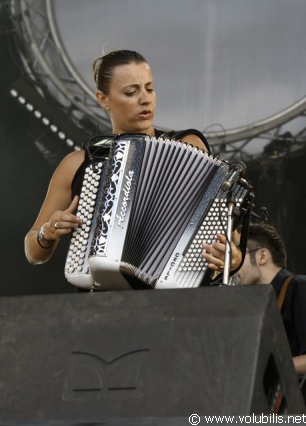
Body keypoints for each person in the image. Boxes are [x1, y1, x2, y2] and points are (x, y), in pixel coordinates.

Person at [24, 49, 241, 283]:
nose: (145, 99)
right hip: (102, 301)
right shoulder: (77, 164)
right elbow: (33, 252)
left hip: (177, 297)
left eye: (150, 88)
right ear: (103, 99)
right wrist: (48, 232)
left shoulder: (189, 145)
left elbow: (229, 239)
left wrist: (234, 258)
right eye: (131, 92)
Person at [234, 222, 306, 382]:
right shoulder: (256, 306)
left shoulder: (299, 287)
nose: (232, 265)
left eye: (237, 254)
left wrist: (264, 369)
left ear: (262, 256)